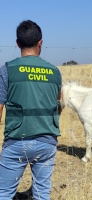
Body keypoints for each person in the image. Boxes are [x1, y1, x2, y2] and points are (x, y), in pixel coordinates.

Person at [0, 20, 62, 200]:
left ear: (18, 43)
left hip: (17, 142)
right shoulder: (55, 72)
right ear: (40, 42)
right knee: (42, 194)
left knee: (4, 193)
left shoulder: (7, 70)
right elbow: (56, 102)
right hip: (47, 142)